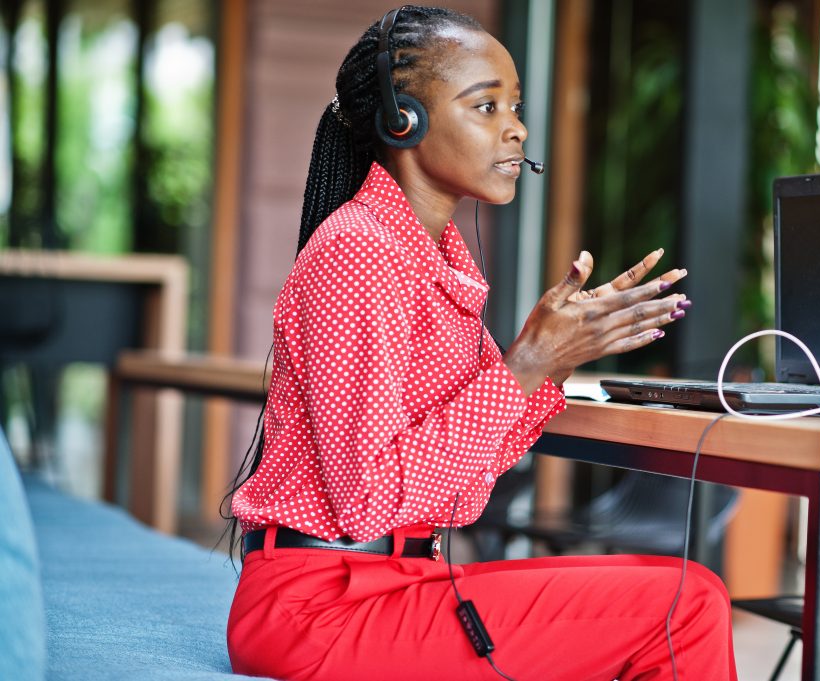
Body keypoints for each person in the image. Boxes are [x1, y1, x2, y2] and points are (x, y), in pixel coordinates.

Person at [224, 6, 736, 680]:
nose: (517, 127)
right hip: (324, 607)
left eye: (515, 105)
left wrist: (555, 358)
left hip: (399, 583)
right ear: (402, 121)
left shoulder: (434, 259)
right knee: (686, 602)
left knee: (679, 590)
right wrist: (524, 364)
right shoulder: (360, 250)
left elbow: (462, 485)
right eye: (486, 106)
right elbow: (367, 497)